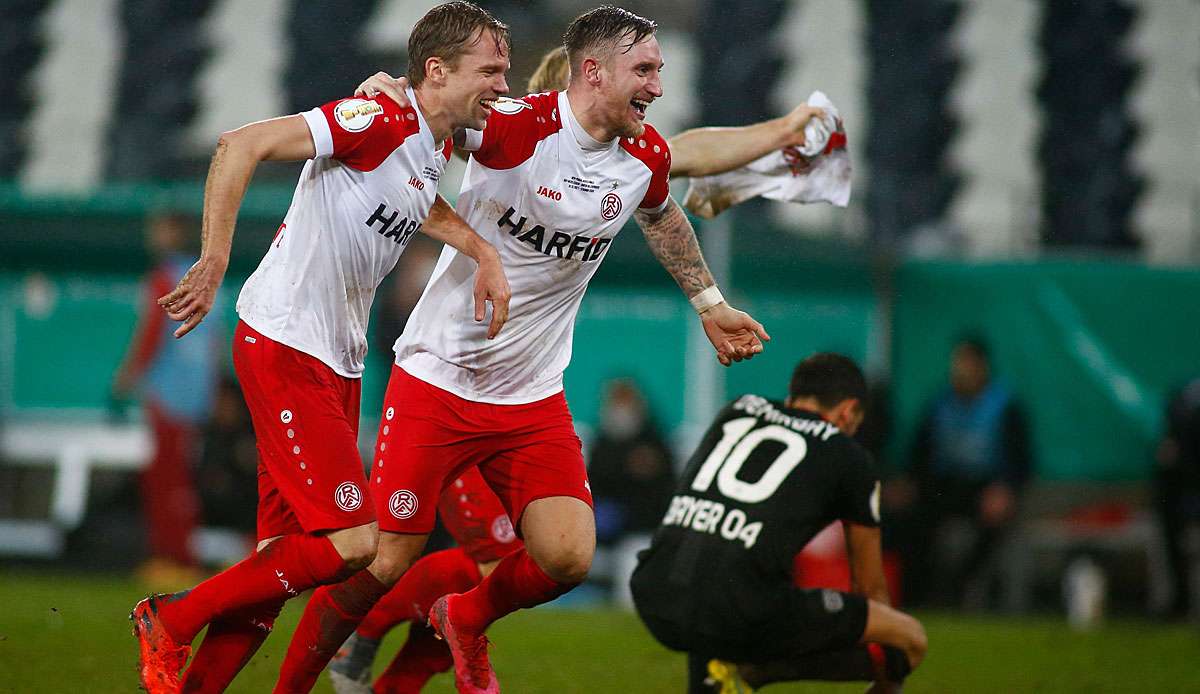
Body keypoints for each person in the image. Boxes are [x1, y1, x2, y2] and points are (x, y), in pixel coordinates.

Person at [279, 7, 771, 693]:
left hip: (530, 395)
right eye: (646, 70)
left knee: (565, 556)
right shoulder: (514, 125)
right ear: (594, 71)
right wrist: (382, 90)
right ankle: (319, 667)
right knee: (385, 561)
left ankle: (462, 623)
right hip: (440, 375)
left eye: (659, 69)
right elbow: (425, 118)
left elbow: (661, 214)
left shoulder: (643, 156)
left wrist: (710, 304)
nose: (659, 85)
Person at [127, 4, 513, 692]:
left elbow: (413, 197)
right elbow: (239, 144)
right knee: (352, 545)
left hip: (335, 360)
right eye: (490, 70)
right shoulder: (377, 117)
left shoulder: (433, 144)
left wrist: (477, 245)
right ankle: (172, 618)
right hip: (287, 344)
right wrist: (216, 258)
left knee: (277, 570)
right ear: (436, 69)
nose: (503, 84)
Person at [631, 353, 927, 694]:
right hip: (738, 610)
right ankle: (759, 670)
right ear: (847, 412)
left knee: (721, 569)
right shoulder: (850, 457)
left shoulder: (739, 408)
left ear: (792, 395)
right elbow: (870, 590)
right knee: (908, 641)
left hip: (654, 590)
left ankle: (717, 679)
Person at [112, 211, 219, 585]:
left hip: (168, 392)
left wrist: (126, 378)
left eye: (158, 227)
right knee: (182, 480)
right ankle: (181, 555)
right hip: (197, 394)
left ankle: (172, 558)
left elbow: (151, 335)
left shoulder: (163, 278)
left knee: (165, 479)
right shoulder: (207, 277)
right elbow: (215, 342)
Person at [899, 336, 1033, 607]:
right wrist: (909, 483)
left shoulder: (1005, 405)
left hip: (986, 488)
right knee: (911, 520)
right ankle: (918, 598)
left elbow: (1021, 459)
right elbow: (919, 454)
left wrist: (1006, 488)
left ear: (982, 366)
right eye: (958, 362)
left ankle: (963, 592)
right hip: (944, 486)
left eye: (967, 362)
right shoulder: (940, 403)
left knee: (991, 527)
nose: (960, 369)